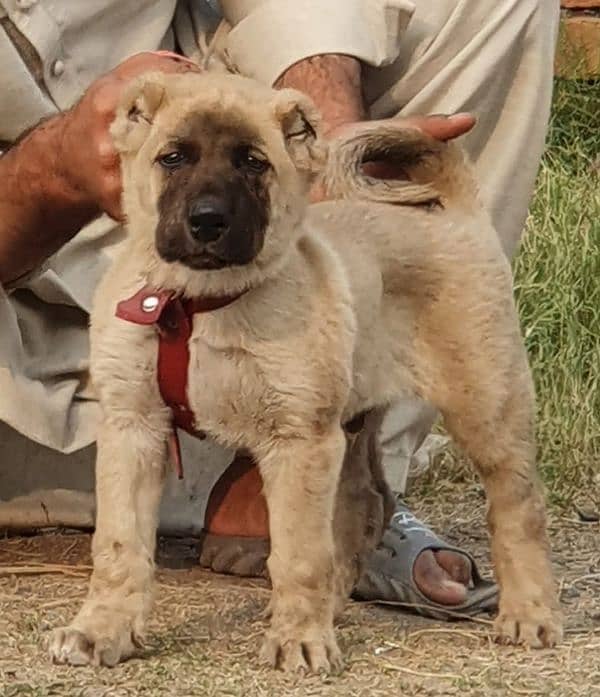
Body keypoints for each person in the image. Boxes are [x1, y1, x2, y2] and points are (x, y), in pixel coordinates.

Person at [0, 0, 559, 617]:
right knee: (139, 424)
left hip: (274, 234)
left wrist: (322, 114)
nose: (209, 199)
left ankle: (328, 497)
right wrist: (51, 170)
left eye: (250, 163)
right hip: (23, 314)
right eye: (177, 159)